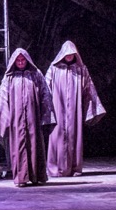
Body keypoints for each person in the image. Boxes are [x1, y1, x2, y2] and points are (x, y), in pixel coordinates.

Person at [0, 48, 55, 187]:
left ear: (27, 60)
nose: (20, 63)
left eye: (23, 60)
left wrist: (46, 114)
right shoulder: (9, 77)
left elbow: (45, 94)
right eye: (18, 60)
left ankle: (36, 176)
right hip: (16, 120)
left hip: (33, 118)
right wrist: (5, 118)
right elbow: (3, 98)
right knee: (18, 147)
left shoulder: (36, 74)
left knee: (35, 145)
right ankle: (21, 178)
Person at [45, 40, 105, 177]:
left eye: (72, 53)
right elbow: (45, 88)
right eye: (67, 53)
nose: (69, 56)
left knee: (74, 136)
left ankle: (74, 168)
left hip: (74, 109)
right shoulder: (54, 69)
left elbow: (89, 88)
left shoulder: (81, 70)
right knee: (56, 137)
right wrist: (45, 110)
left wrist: (94, 106)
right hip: (58, 109)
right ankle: (55, 168)